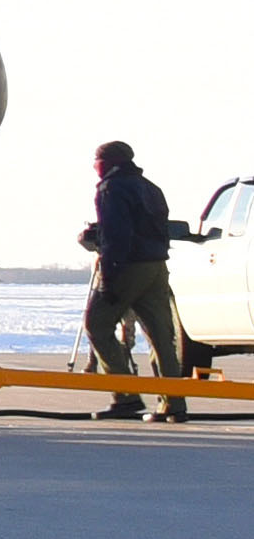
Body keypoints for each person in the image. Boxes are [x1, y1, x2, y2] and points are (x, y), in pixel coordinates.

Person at [84, 141, 191, 419]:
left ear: (108, 163)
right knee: (161, 337)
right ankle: (173, 404)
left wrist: (109, 275)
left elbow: (118, 236)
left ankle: (125, 395)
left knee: (97, 323)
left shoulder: (111, 189)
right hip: (156, 267)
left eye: (97, 161)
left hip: (127, 266)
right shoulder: (151, 188)